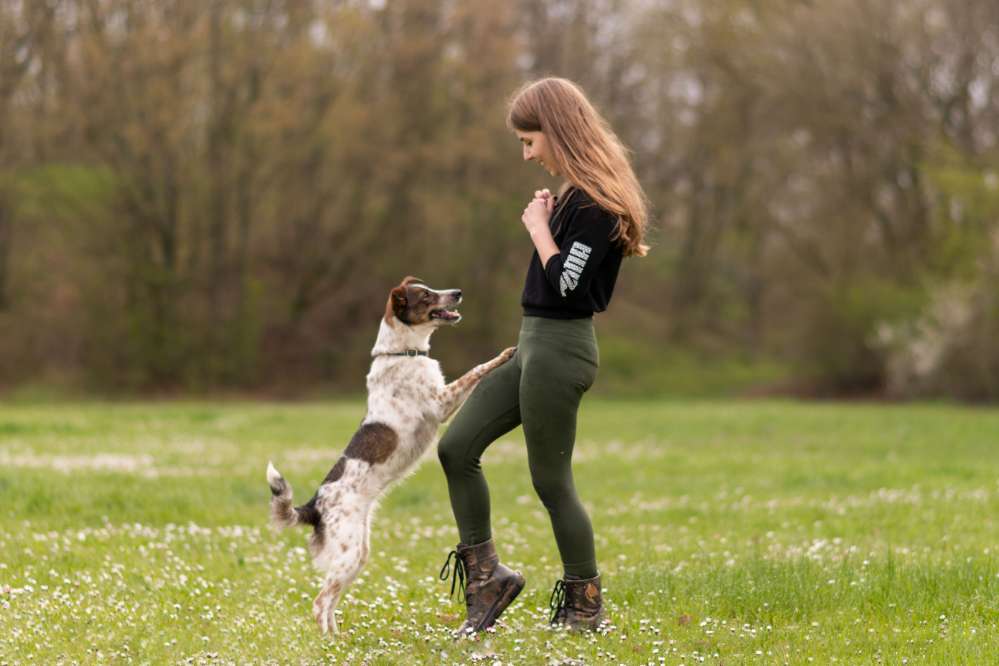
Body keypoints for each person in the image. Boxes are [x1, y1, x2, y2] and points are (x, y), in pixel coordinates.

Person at [436, 77, 650, 635]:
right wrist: (550, 218)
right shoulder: (576, 199)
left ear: (556, 132)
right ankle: (487, 580)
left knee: (550, 481)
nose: (527, 154)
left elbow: (570, 287)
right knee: (457, 447)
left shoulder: (599, 203)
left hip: (561, 348)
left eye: (530, 141)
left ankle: (585, 604)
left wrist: (537, 228)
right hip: (532, 342)